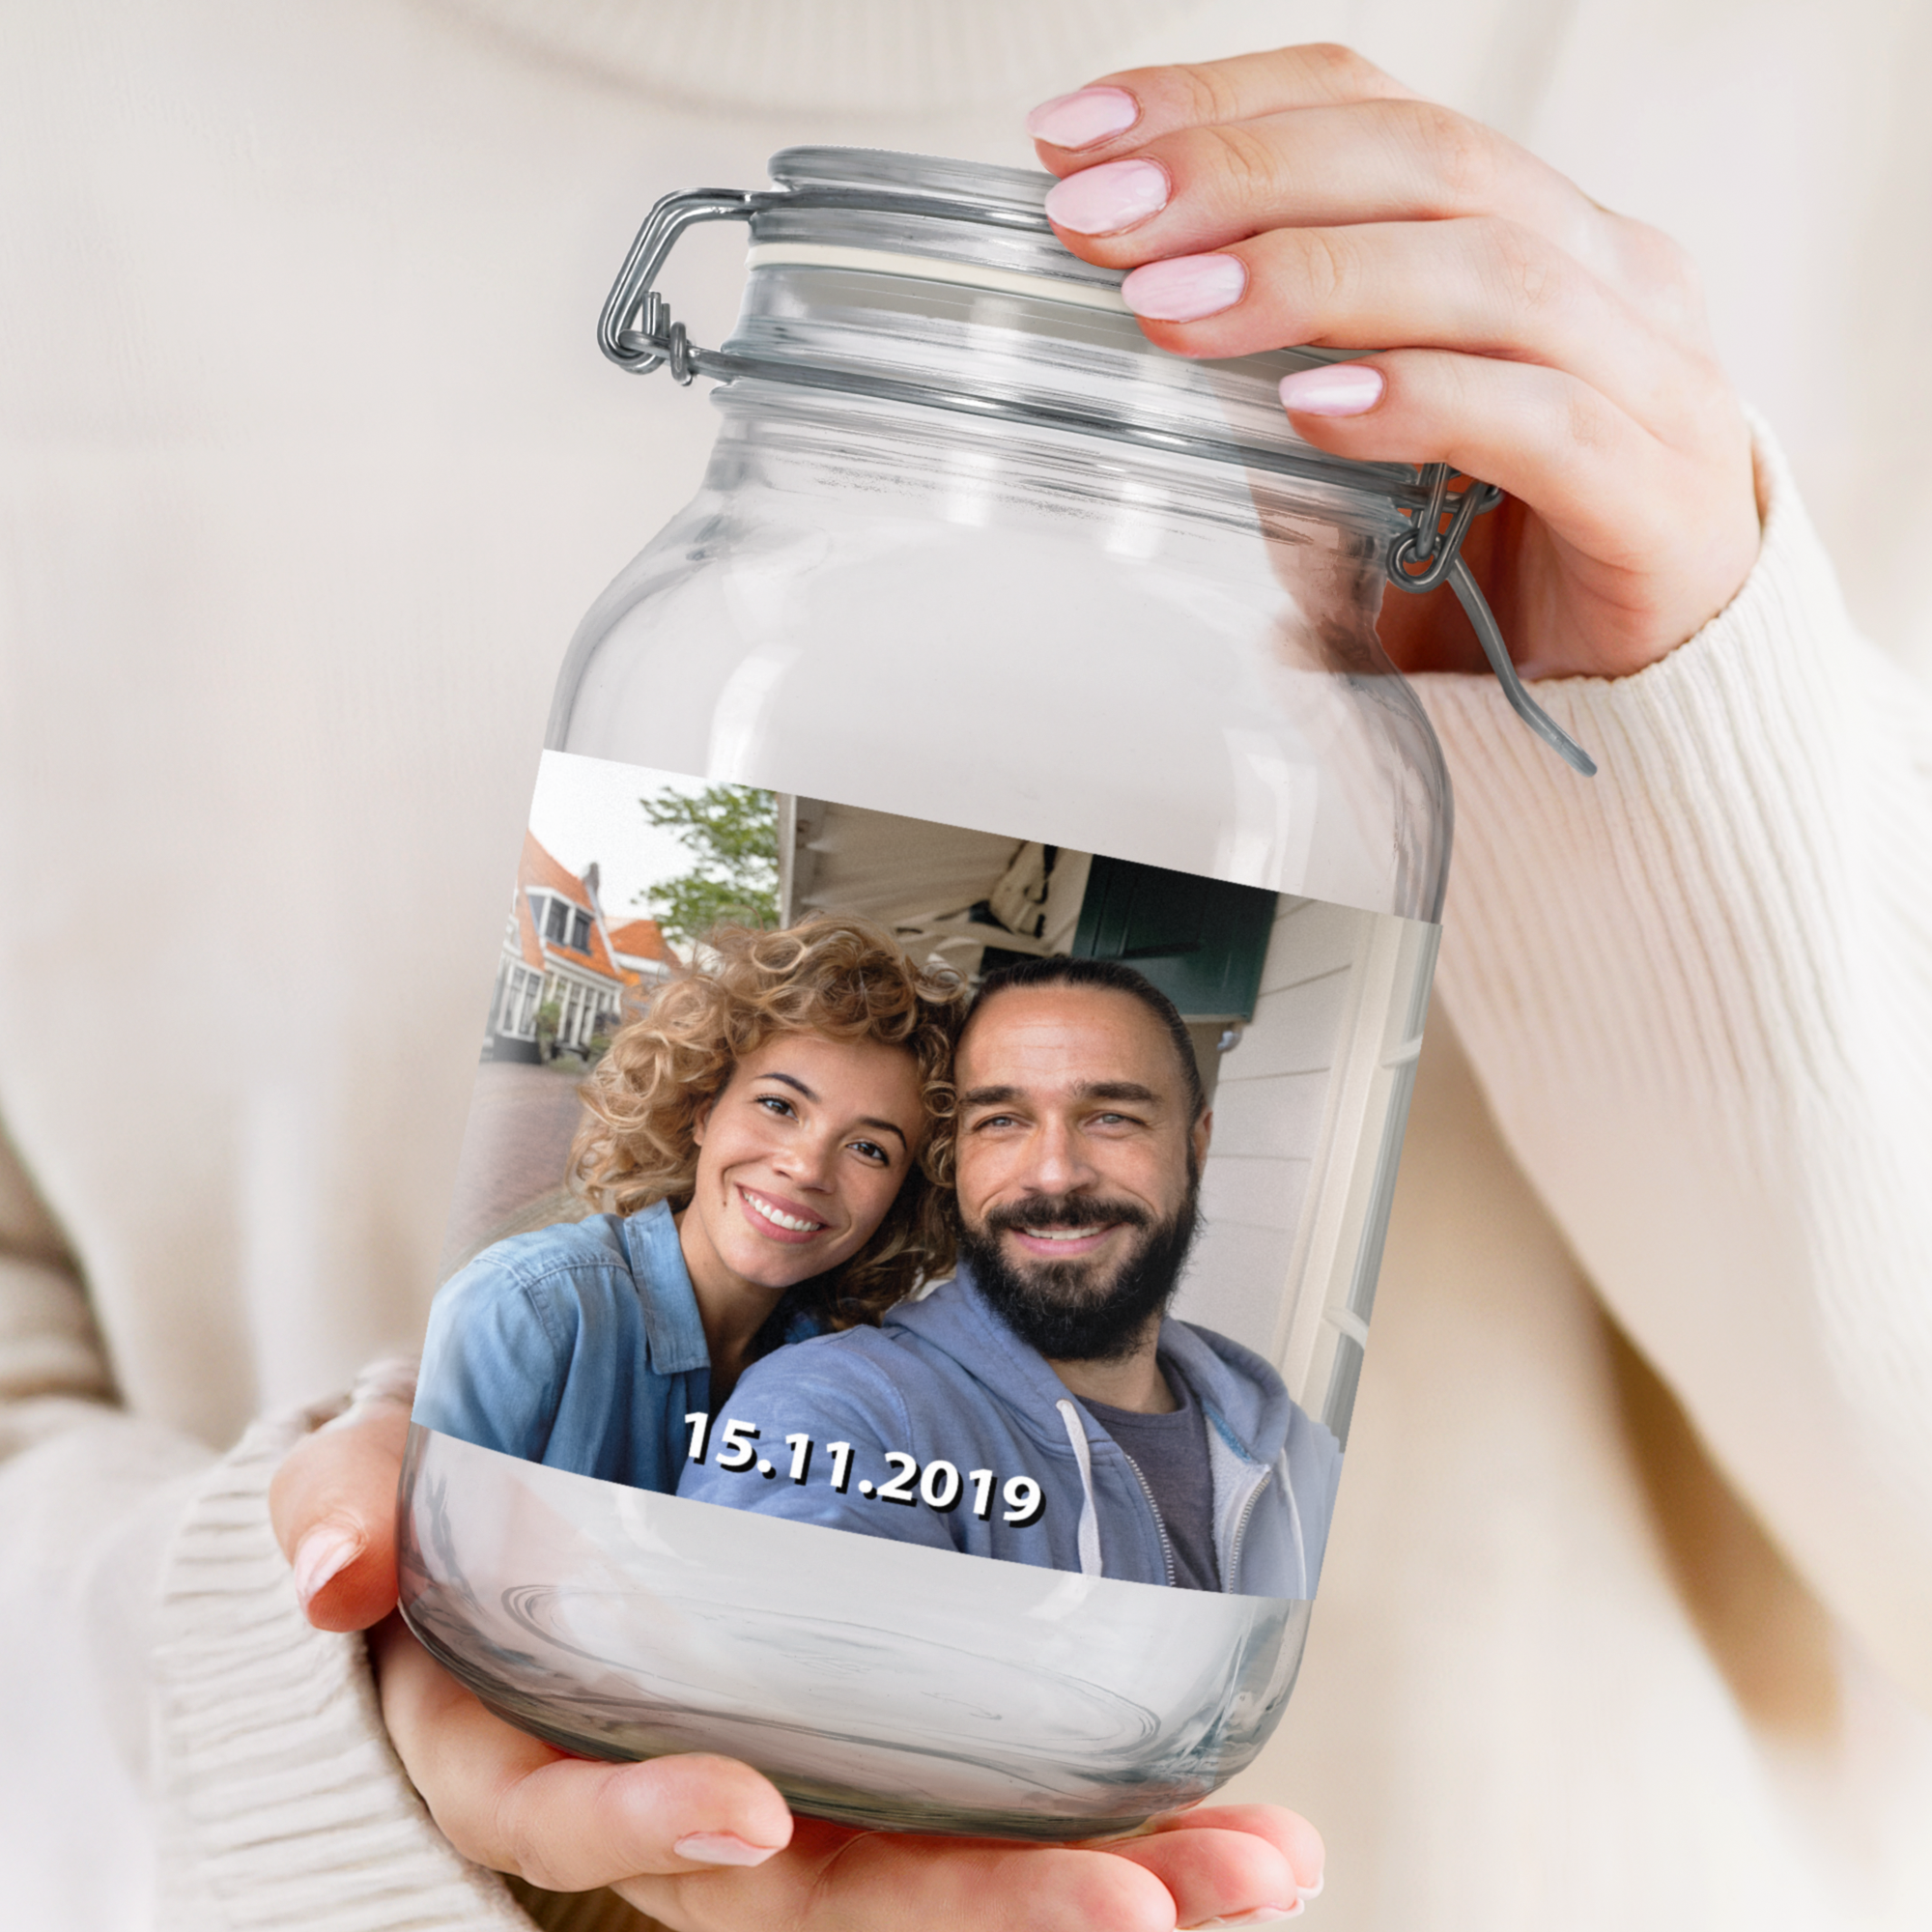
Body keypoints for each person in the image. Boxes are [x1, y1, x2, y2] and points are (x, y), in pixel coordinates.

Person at [8, 19, 1932, 1932]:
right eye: (964, 1111)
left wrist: (1691, 736)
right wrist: (258, 1710)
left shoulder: (1829, 93)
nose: (834, 1172)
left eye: (889, 1138)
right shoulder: (68, 117)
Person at [682, 957, 1344, 1598]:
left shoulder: (1304, 1460)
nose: (1055, 1173)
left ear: (1195, 1146)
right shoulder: (838, 1410)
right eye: (1001, 1120)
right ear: (954, 1160)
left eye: (1112, 1116)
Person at [412, 914, 961, 1491]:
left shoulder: (841, 1367)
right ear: (704, 1110)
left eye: (869, 1148)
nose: (806, 1169)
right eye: (779, 1106)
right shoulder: (526, 1312)